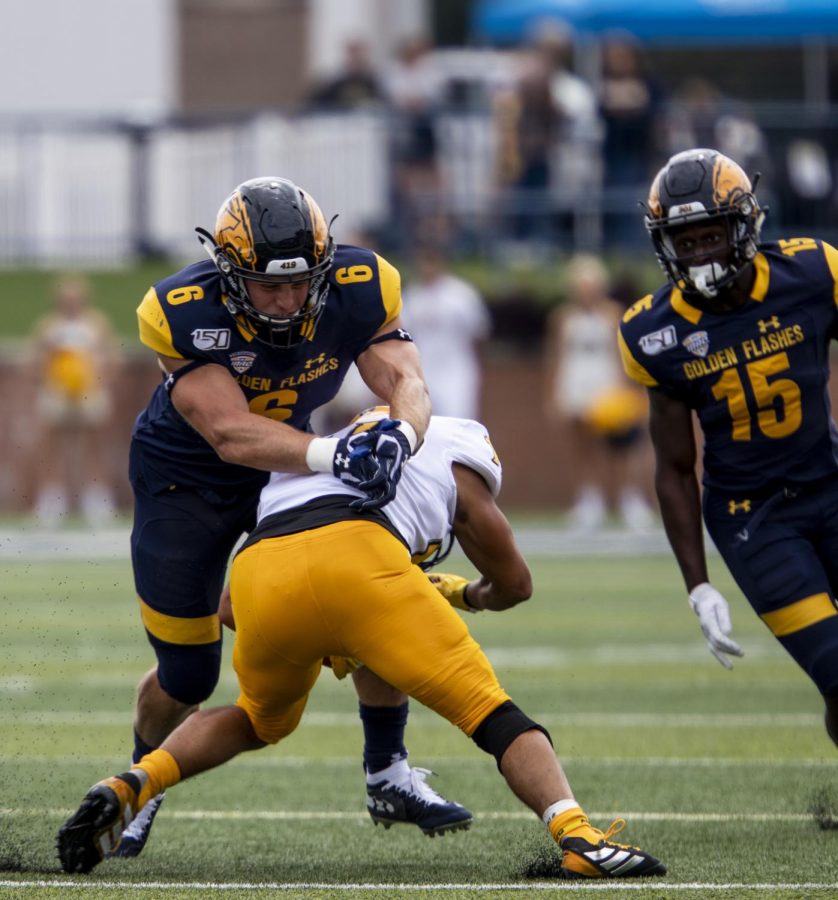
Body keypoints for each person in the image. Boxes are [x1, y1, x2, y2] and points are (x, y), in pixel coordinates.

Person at [57, 407, 666, 880]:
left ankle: (138, 781)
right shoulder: (456, 447)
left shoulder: (329, 452)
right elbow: (515, 584)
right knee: (494, 715)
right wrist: (471, 596)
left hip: (262, 568)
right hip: (364, 562)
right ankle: (580, 837)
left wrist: (344, 622)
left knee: (254, 719)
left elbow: (229, 612)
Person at [115, 176, 469, 857]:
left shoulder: (363, 283)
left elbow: (406, 381)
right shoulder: (180, 311)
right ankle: (140, 782)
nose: (287, 300)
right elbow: (229, 433)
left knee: (364, 588)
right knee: (189, 674)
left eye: (302, 282)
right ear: (227, 273)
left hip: (289, 474)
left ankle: (387, 771)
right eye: (267, 285)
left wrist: (401, 433)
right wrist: (337, 453)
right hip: (185, 482)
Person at [618, 148, 838, 747]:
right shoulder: (654, 332)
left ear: (743, 224)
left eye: (709, 235)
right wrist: (698, 585)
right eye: (683, 241)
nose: (698, 254)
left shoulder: (814, 273)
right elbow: (674, 468)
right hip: (755, 519)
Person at [544, 255, 653, 531]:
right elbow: (556, 355)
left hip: (608, 383)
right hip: (576, 382)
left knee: (622, 445)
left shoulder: (613, 314)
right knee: (582, 445)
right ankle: (589, 502)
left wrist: (630, 388)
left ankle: (630, 500)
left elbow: (623, 354)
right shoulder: (563, 317)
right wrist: (553, 393)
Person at [29, 273, 121, 527]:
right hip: (57, 393)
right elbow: (36, 359)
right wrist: (51, 381)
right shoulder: (48, 325)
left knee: (94, 446)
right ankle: (51, 502)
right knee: (52, 447)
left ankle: (97, 502)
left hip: (89, 392)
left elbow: (112, 357)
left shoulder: (96, 323)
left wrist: (98, 381)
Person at [400, 244, 491, 419]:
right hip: (423, 369)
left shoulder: (461, 295)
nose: (427, 267)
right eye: (423, 262)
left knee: (460, 419)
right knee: (424, 422)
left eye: (431, 262)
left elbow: (479, 332)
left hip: (456, 369)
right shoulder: (412, 296)